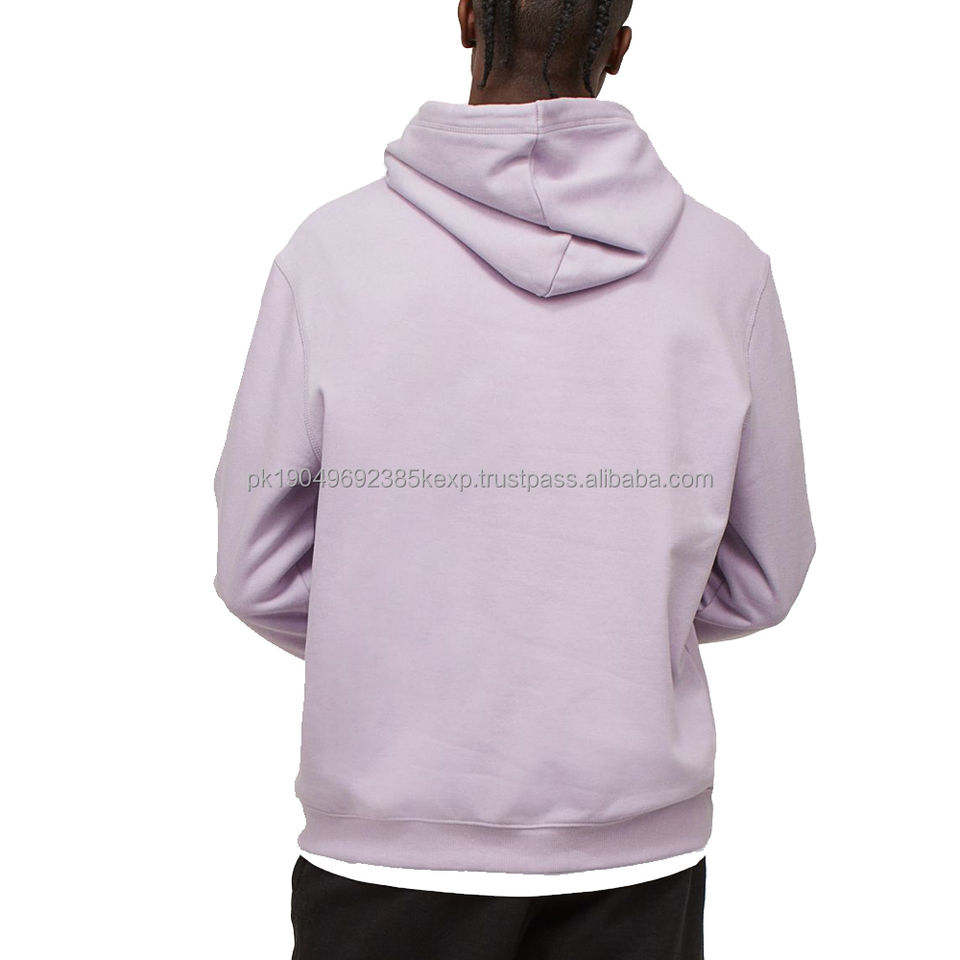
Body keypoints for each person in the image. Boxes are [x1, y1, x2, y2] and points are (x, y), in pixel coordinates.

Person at [213, 1, 816, 957]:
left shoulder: (329, 256)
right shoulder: (724, 269)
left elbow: (256, 572)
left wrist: (398, 639)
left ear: (465, 18)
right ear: (620, 47)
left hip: (388, 850)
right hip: (634, 859)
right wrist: (612, 625)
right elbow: (766, 575)